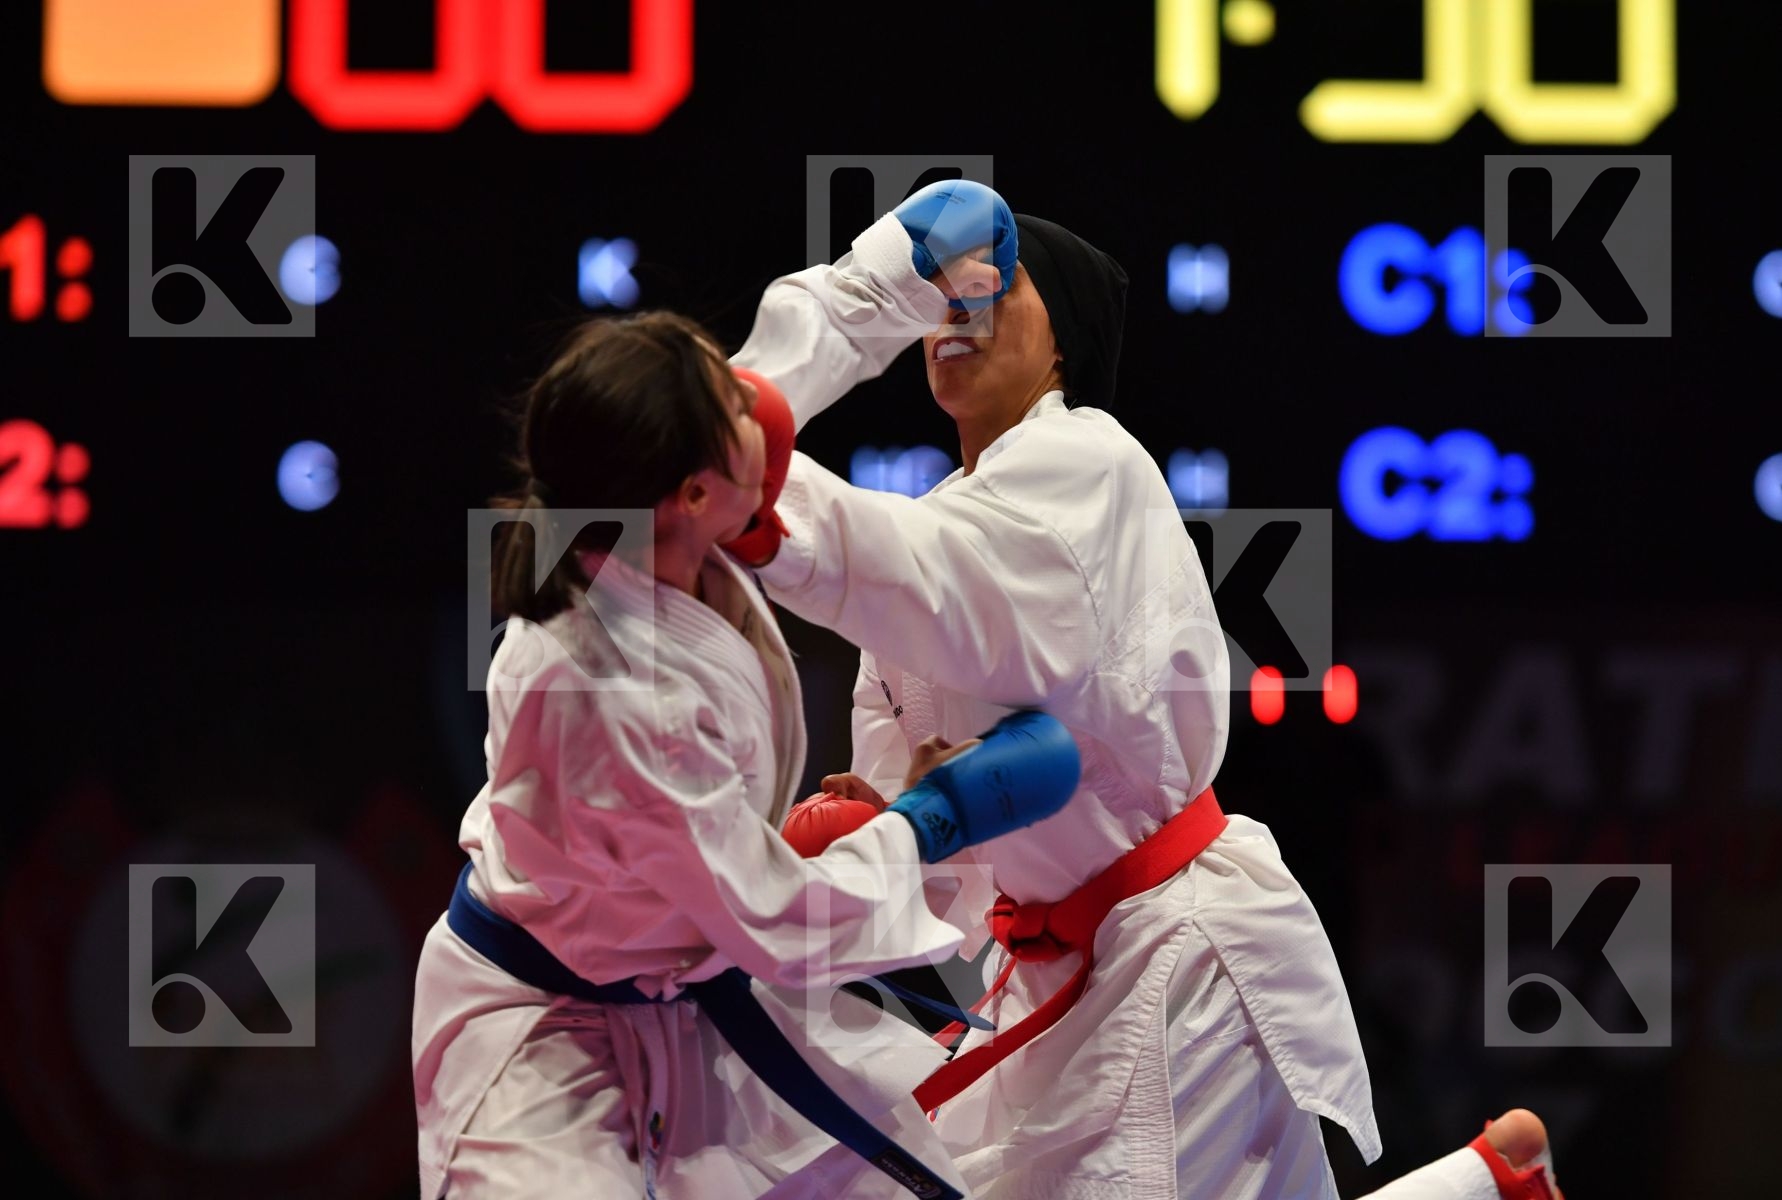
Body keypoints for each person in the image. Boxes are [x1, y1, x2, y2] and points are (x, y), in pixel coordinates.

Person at [728, 181, 1564, 1200]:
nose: (959, 305)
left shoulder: (1084, 459)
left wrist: (746, 485)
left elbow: (914, 571)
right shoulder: (943, 520)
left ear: (1062, 345)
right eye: (944, 289)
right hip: (1051, 965)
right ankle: (1489, 1178)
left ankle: (1490, 1176)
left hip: (1171, 948)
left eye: (997, 285)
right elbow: (952, 860)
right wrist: (882, 831)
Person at [410, 310, 1084, 1199]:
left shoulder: (640, 511)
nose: (762, 404)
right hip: (545, 1038)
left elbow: (786, 354)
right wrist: (929, 820)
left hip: (675, 986)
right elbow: (773, 920)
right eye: (735, 406)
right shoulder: (617, 691)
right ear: (694, 494)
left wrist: (893, 270)